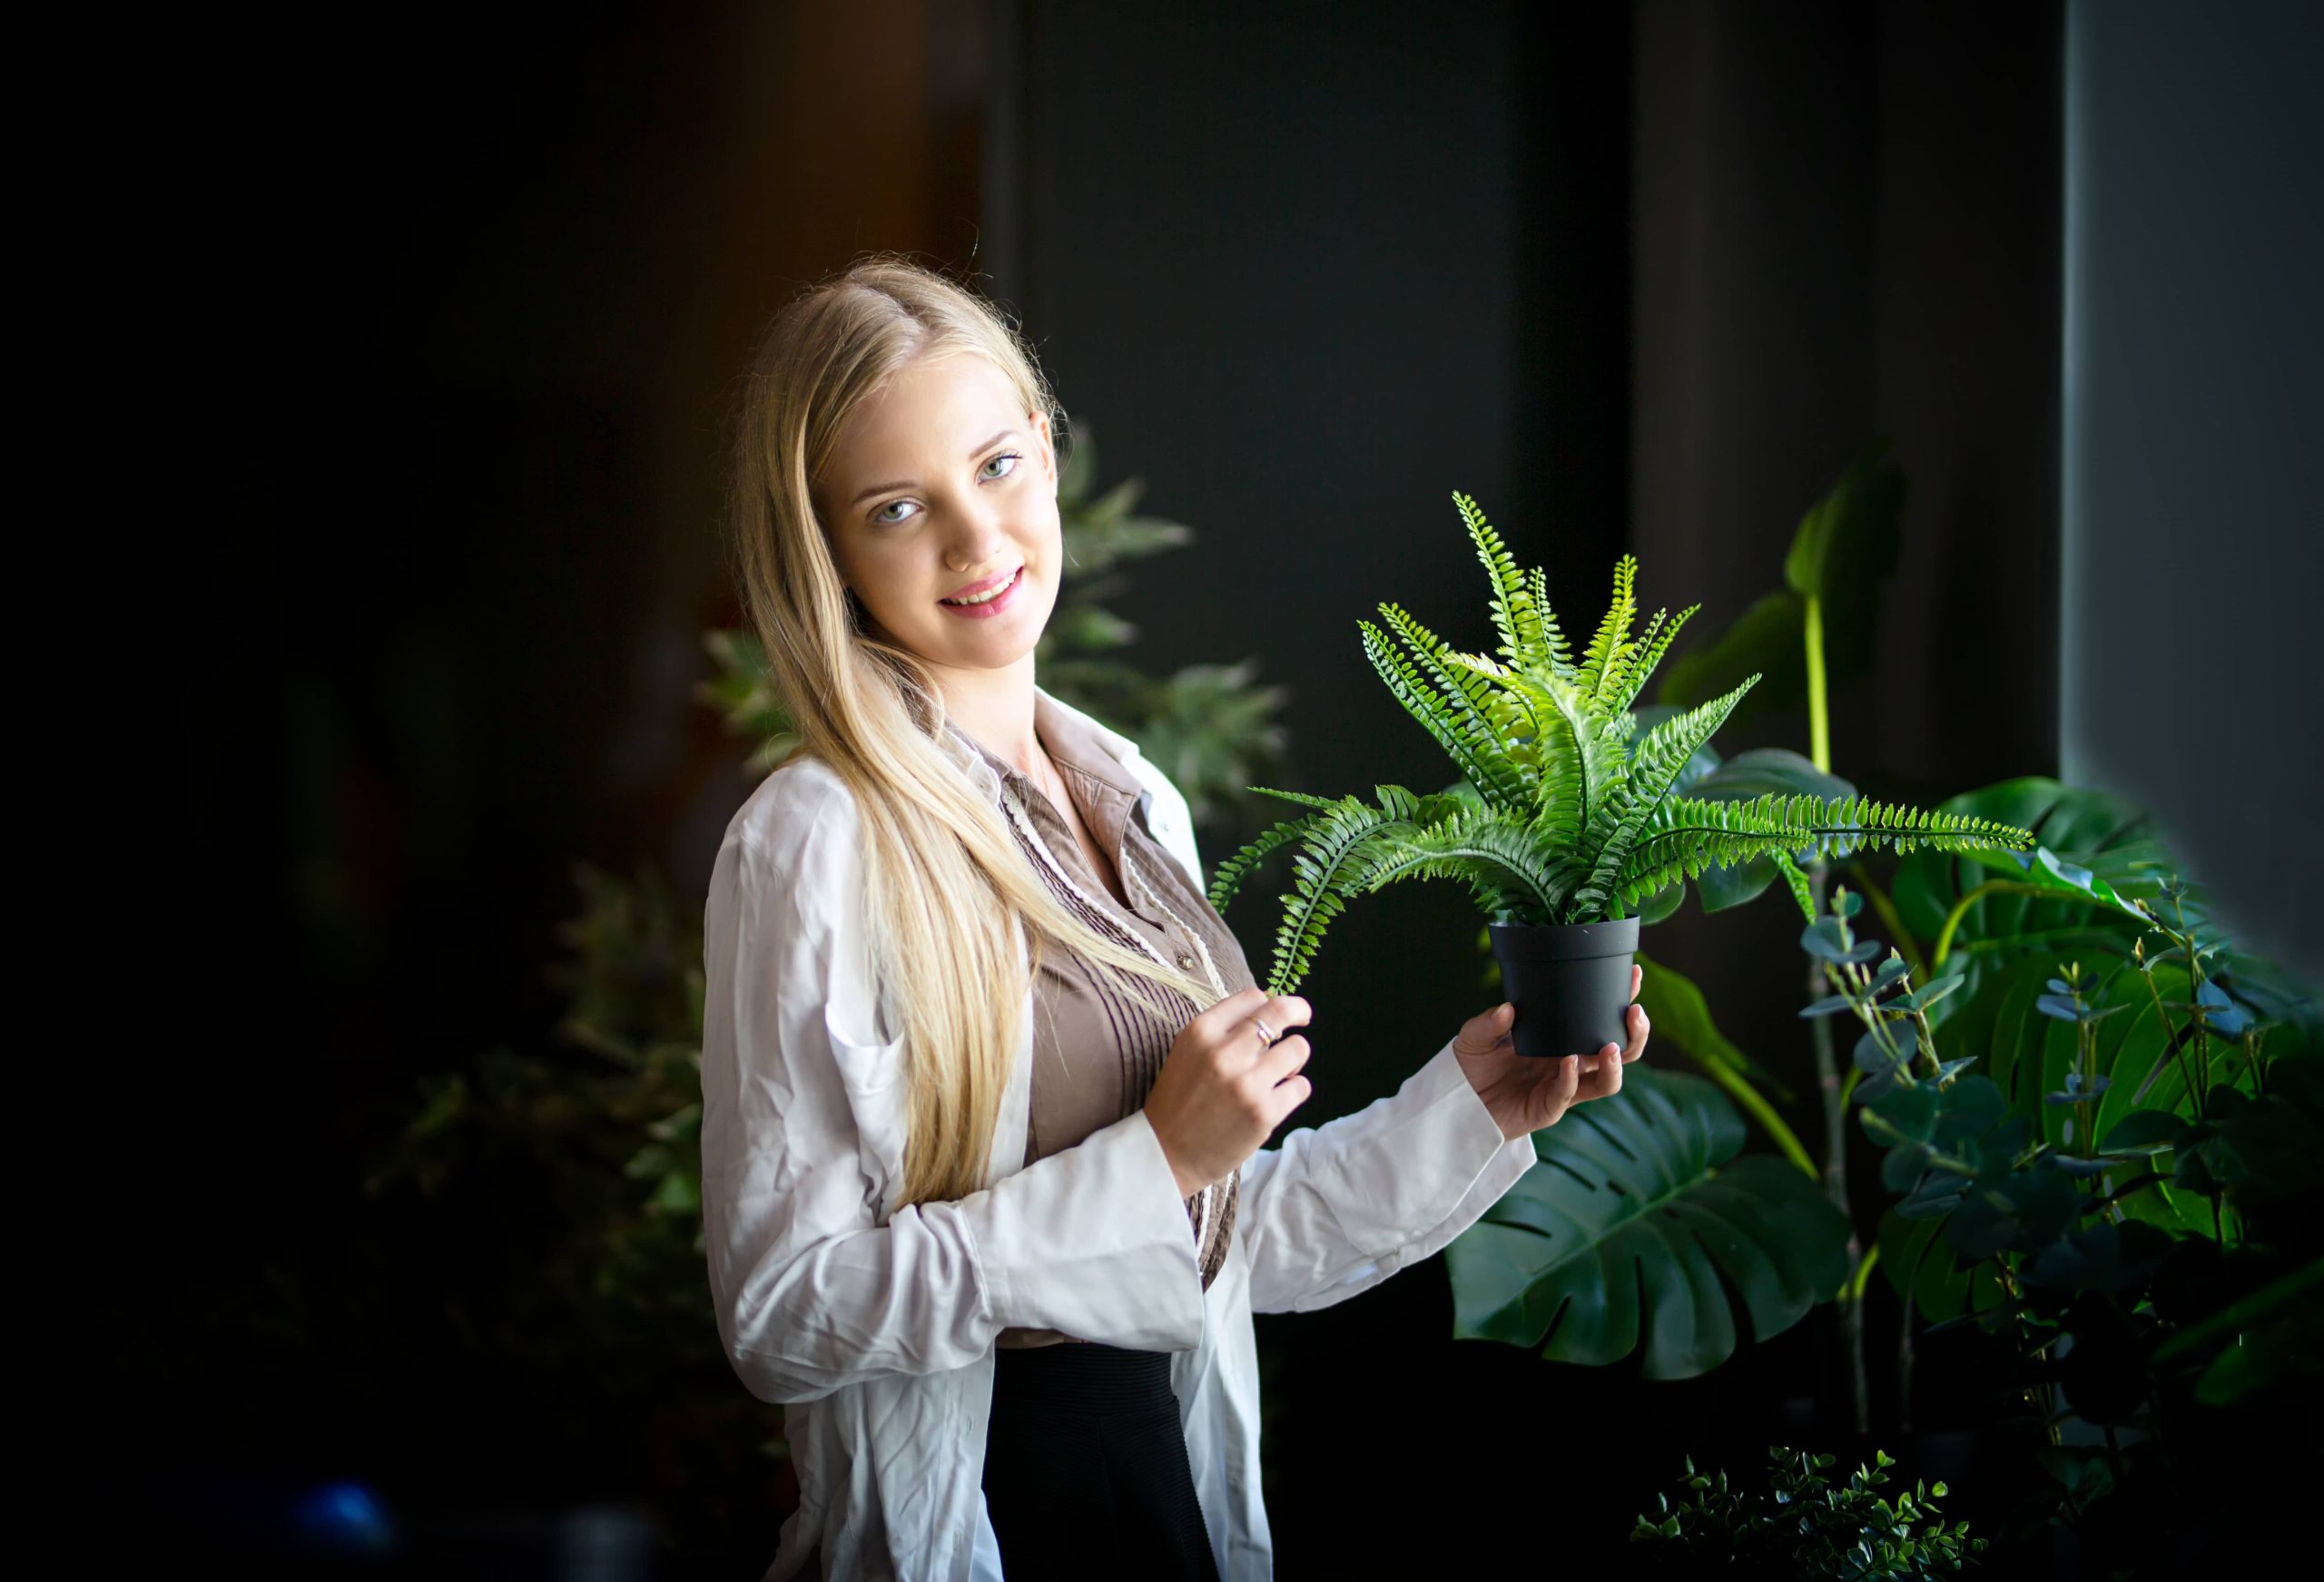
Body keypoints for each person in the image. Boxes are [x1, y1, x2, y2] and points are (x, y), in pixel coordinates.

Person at [698, 254, 1650, 1582]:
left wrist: (1475, 1105)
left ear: (1045, 446)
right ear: (830, 550)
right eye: (898, 507)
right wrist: (1154, 1162)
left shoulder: (1129, 795)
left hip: (1160, 1500)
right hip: (987, 1517)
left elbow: (1220, 1235)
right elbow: (782, 1316)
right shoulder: (817, 837)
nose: (975, 542)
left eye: (995, 467)